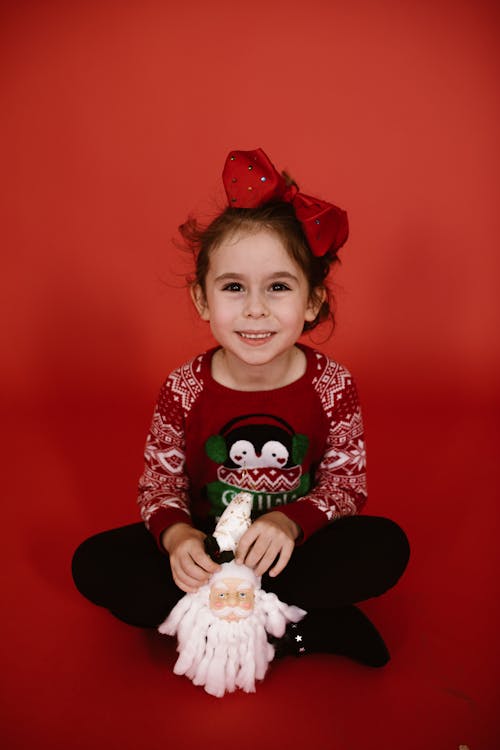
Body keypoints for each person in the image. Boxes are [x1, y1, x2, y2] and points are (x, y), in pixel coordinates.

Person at [72, 147, 410, 669]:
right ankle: (249, 616)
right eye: (234, 288)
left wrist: (291, 523)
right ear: (203, 300)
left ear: (313, 301)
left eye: (278, 287)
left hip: (289, 552)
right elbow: (159, 483)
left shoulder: (331, 384)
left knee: (385, 548)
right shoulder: (184, 386)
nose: (255, 308)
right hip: (210, 552)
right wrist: (177, 534)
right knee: (95, 565)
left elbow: (347, 485)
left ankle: (272, 624)